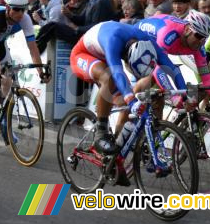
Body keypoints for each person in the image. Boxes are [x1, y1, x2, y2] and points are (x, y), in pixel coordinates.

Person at [69, 21, 184, 164]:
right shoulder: (113, 40)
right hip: (83, 55)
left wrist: (184, 93)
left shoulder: (149, 43)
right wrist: (131, 100)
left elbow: (173, 69)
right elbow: (117, 72)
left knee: (128, 100)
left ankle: (115, 156)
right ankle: (101, 131)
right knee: (109, 77)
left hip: (106, 55)